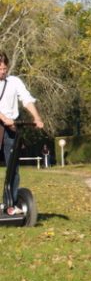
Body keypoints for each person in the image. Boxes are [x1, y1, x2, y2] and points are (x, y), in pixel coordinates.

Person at [0, 52, 44, 210]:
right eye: (0, 69)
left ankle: (9, 204)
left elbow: (26, 99)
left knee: (13, 167)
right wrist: (4, 118)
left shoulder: (14, 82)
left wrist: (37, 118)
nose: (2, 71)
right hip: (3, 123)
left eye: (4, 68)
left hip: (12, 128)